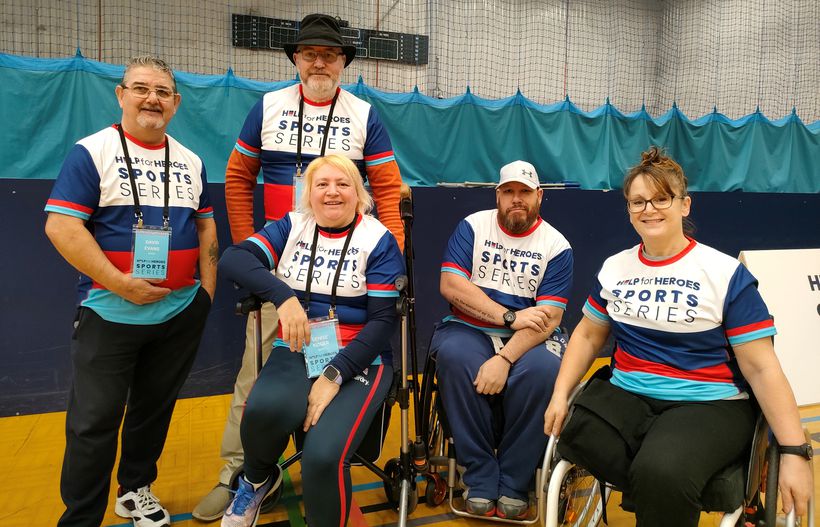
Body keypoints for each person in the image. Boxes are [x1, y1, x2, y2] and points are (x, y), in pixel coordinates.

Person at [194, 13, 405, 519]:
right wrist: (256, 259)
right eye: (309, 53)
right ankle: (242, 475)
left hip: (346, 276)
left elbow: (389, 190)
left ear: (342, 64)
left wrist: (387, 254)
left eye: (329, 55)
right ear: (295, 59)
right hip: (282, 270)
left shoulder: (363, 114)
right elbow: (238, 175)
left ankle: (321, 467)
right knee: (254, 382)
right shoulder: (267, 106)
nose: (319, 61)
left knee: (326, 379)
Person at [544, 146, 813, 526]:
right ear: (628, 209)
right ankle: (664, 482)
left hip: (709, 404)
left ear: (684, 205)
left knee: (662, 472)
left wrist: (793, 451)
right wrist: (559, 394)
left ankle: (667, 480)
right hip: (629, 396)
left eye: (660, 199)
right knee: (576, 436)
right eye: (638, 201)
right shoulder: (615, 268)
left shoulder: (723, 274)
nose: (649, 209)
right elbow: (588, 336)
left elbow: (762, 368)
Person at [44, 55, 217, 527]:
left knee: (152, 411)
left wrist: (206, 294)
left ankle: (134, 491)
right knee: (93, 423)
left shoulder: (190, 160)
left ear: (176, 103)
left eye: (162, 92)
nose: (152, 98)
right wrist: (120, 283)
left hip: (179, 312)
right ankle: (81, 517)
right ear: (121, 95)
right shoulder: (92, 152)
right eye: (141, 88)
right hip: (109, 313)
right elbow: (61, 226)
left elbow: (206, 228)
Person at [217, 154, 404, 527]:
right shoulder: (292, 226)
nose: (332, 192)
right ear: (308, 192)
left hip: (361, 357)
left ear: (359, 193)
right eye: (322, 184)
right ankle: (256, 480)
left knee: (322, 457)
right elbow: (233, 259)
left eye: (343, 184)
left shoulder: (378, 240)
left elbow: (383, 321)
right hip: (300, 347)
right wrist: (282, 297)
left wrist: (334, 376)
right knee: (261, 411)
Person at [430, 160, 573, 519]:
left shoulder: (557, 245)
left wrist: (505, 358)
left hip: (531, 339)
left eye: (524, 192)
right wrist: (508, 316)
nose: (516, 199)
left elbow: (549, 318)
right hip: (469, 326)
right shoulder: (473, 227)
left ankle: (513, 481)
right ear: (498, 195)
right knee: (455, 357)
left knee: (542, 371)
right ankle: (479, 475)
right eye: (508, 191)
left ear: (539, 196)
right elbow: (451, 285)